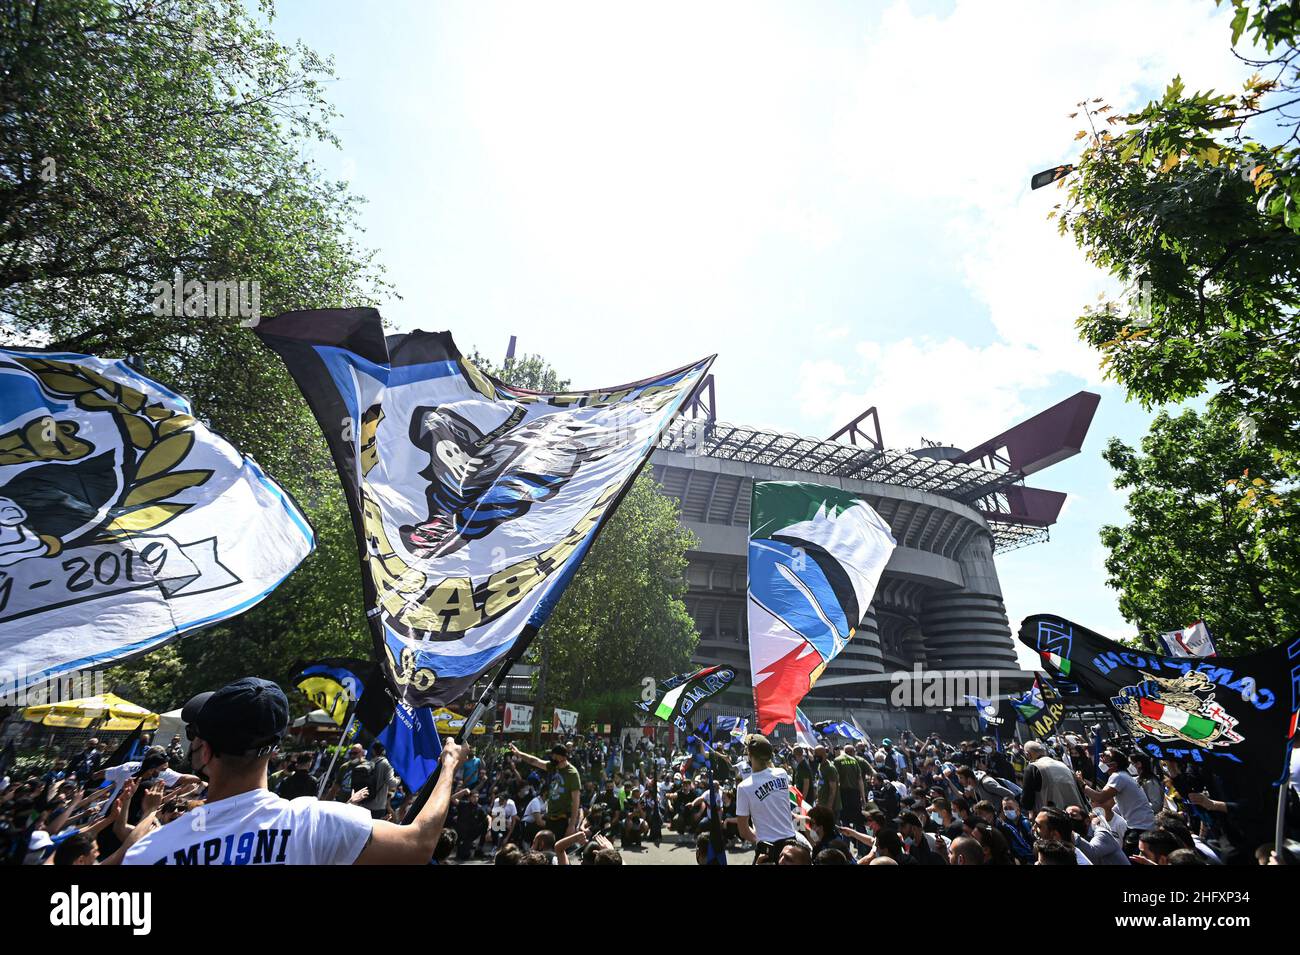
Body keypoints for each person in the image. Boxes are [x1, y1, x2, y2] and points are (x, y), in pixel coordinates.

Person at [122, 677, 467, 865]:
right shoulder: (316, 823)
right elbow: (420, 842)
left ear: (206, 751)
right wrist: (448, 765)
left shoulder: (150, 852)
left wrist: (143, 823)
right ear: (275, 749)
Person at [733, 734, 798, 864]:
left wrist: (760, 839)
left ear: (749, 755)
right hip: (791, 844)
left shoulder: (744, 787)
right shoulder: (782, 773)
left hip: (767, 849)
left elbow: (744, 831)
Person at [509, 742, 581, 837]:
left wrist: (571, 825)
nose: (552, 758)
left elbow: (576, 801)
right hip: (550, 817)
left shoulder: (572, 774)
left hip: (562, 819)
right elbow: (534, 761)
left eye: (554, 756)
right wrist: (519, 753)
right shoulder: (552, 767)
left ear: (562, 757)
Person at [1020, 740, 1084, 813]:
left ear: (1027, 754)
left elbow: (1027, 803)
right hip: (1077, 815)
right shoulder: (1064, 766)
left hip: (1053, 819)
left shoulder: (1033, 768)